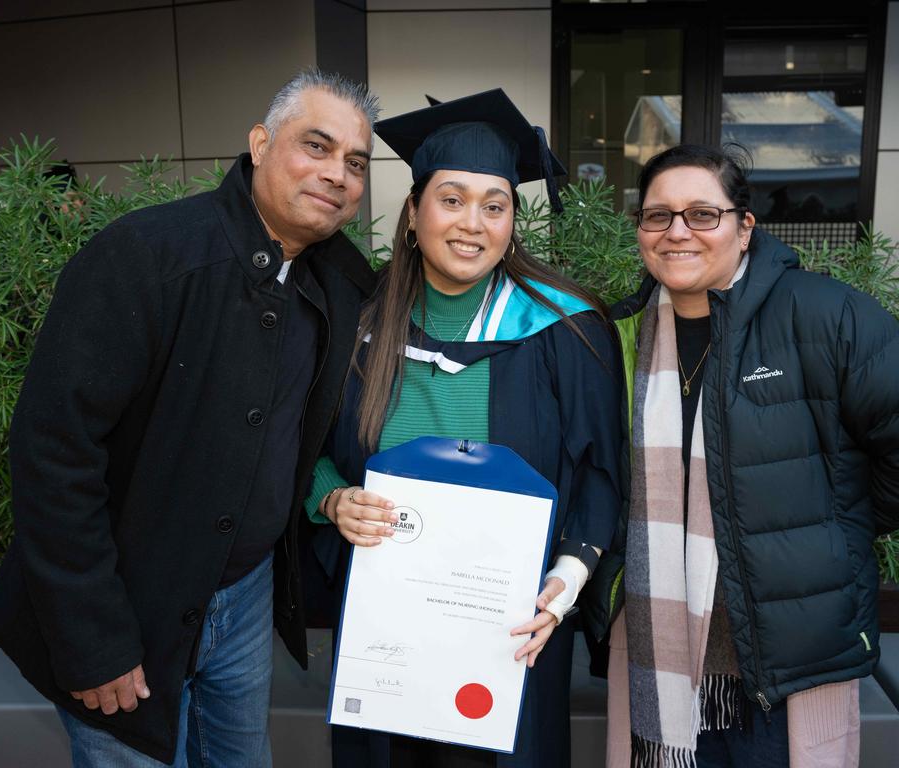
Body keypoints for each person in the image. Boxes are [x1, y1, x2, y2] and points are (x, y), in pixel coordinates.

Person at [0, 69, 380, 767]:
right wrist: (92, 638)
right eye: (315, 146)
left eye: (355, 161)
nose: (337, 174)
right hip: (125, 603)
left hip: (246, 596)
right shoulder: (146, 257)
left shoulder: (337, 280)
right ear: (259, 144)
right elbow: (53, 454)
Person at [304, 89, 624, 768]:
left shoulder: (566, 330)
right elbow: (302, 448)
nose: (472, 224)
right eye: (451, 199)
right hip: (384, 630)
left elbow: (601, 480)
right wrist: (333, 500)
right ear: (415, 211)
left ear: (514, 220)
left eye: (495, 205)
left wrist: (563, 588)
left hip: (513, 633)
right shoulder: (355, 323)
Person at [585, 144, 899, 768]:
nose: (678, 232)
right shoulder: (619, 335)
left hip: (790, 664)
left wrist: (839, 526)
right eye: (658, 215)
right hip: (657, 662)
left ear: (744, 225)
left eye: (703, 214)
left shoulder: (825, 314)